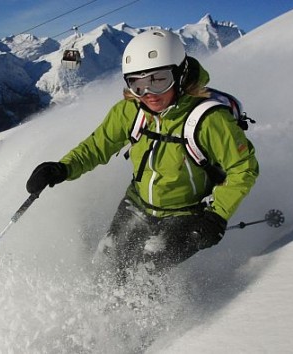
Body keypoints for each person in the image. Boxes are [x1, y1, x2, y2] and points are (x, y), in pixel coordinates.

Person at [25, 29, 259, 284]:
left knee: (146, 272)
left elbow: (243, 168)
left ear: (180, 75)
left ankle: (151, 320)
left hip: (186, 213)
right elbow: (97, 146)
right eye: (137, 83)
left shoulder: (209, 119)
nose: (148, 93)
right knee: (107, 263)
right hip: (137, 203)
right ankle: (100, 313)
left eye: (159, 80)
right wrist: (62, 168)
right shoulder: (131, 111)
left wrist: (216, 215)